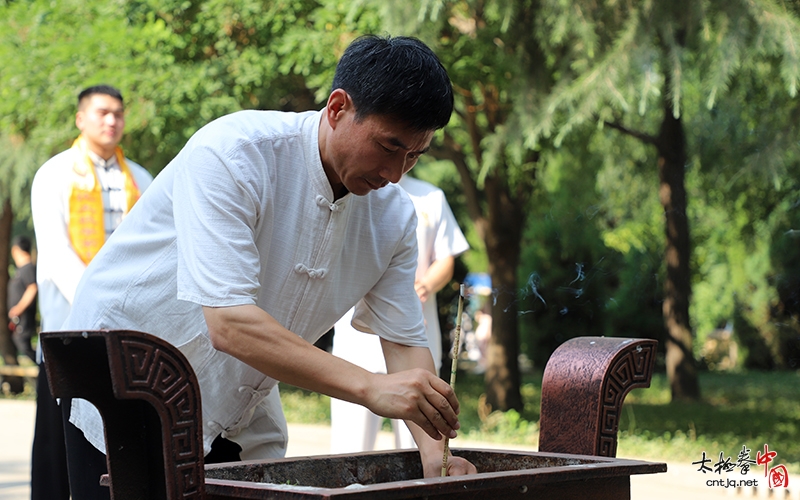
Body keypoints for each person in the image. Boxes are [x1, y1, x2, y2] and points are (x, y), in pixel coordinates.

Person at [60, 35, 477, 499]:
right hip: (132, 370)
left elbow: (404, 342)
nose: (396, 173)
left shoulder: (394, 218)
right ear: (338, 108)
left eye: (414, 155)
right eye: (388, 146)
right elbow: (230, 324)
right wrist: (369, 387)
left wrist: (435, 457)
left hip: (240, 398)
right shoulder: (235, 153)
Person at [30, 84, 153, 500]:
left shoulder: (141, 177)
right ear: (81, 119)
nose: (112, 120)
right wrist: (100, 304)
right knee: (57, 448)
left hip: (127, 329)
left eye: (118, 113)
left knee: (115, 447)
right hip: (70, 323)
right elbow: (57, 250)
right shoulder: (54, 174)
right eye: (102, 112)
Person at [330, 174, 469, 452]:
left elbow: (446, 258)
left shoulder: (430, 197)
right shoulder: (352, 188)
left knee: (418, 446)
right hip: (356, 344)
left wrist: (423, 286)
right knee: (351, 447)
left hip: (413, 337)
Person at [7, 235, 38, 363]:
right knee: (19, 343)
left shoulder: (28, 268)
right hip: (19, 318)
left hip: (24, 316)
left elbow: (32, 288)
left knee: (23, 344)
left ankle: (44, 367)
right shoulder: (22, 270)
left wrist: (19, 308)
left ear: (15, 250)